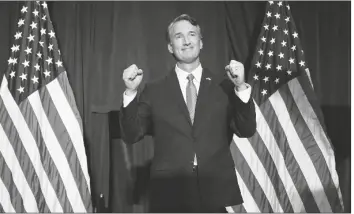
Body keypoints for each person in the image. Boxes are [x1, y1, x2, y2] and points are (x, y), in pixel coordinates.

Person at [120, 14, 256, 213]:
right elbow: (132, 135)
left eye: (192, 35)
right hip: (170, 193)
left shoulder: (225, 86)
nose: (186, 41)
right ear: (170, 47)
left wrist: (241, 87)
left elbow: (246, 130)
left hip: (214, 192)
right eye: (178, 36)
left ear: (201, 43)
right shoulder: (154, 90)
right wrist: (131, 92)